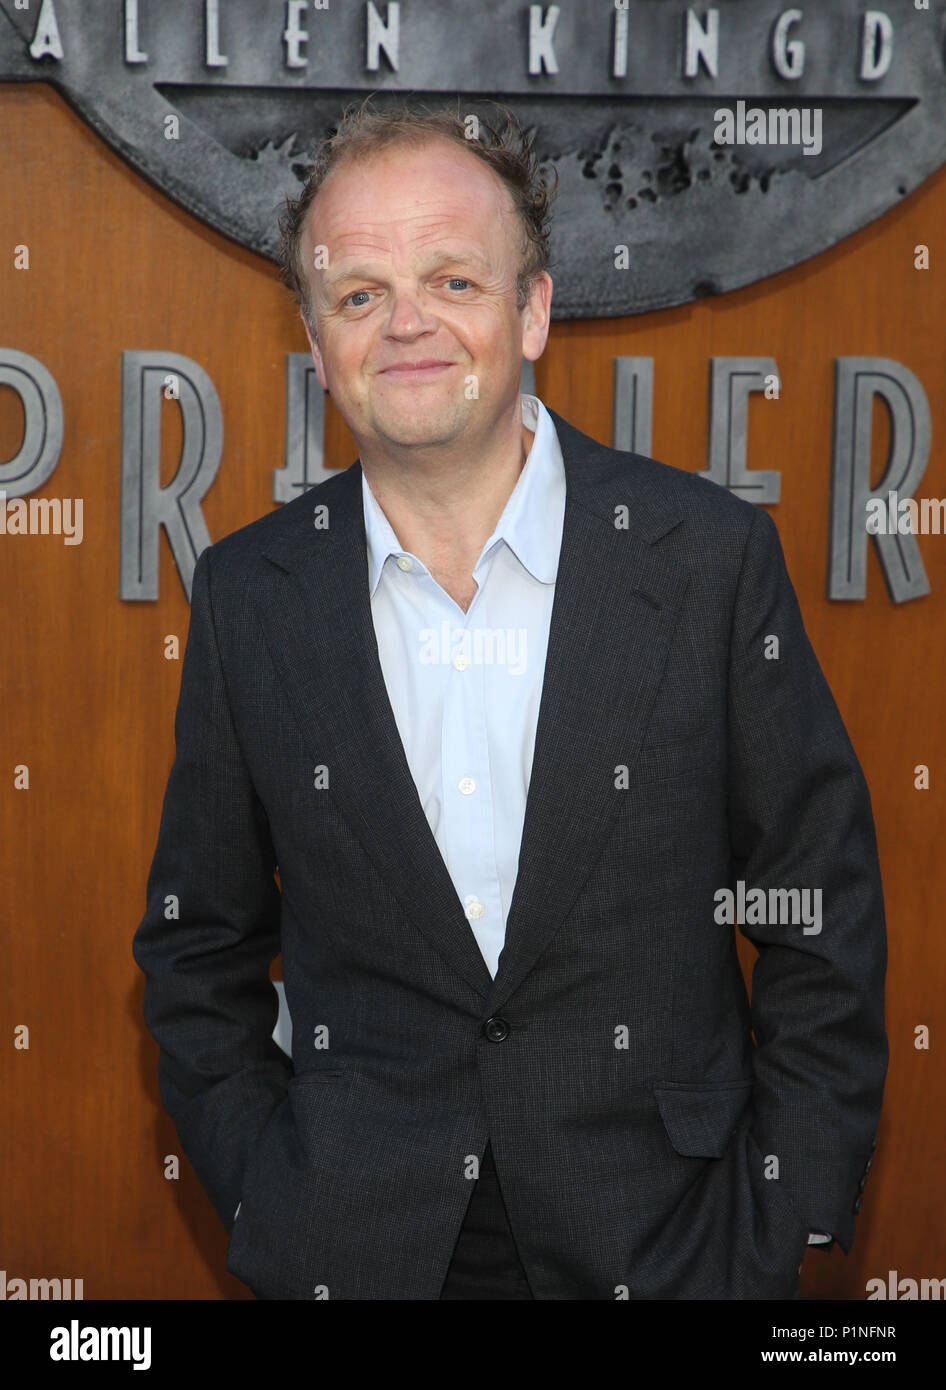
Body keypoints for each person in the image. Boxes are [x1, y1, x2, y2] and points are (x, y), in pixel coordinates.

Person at [132, 101, 887, 1300]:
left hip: (672, 1251)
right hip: (360, 1256)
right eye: (360, 293)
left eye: (451, 278)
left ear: (532, 310)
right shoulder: (249, 599)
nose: (409, 323)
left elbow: (819, 914)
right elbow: (196, 951)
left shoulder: (704, 560)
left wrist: (772, 1227)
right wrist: (278, 1191)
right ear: (317, 342)